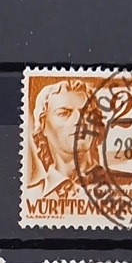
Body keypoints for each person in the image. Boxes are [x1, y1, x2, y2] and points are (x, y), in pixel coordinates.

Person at [25, 77, 93, 215]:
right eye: (64, 113)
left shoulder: (123, 188)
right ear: (43, 125)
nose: (79, 120)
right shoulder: (30, 196)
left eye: (86, 113)